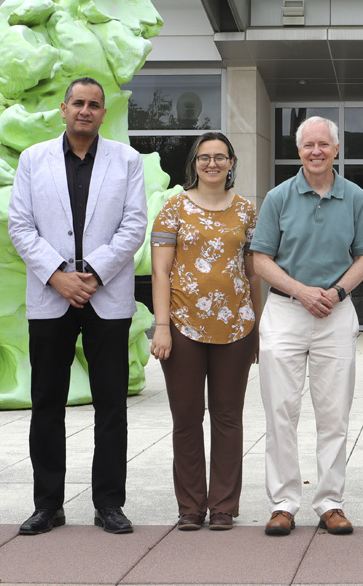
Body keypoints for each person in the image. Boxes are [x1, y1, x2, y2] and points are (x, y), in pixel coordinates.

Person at [8, 77, 148, 536]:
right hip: (51, 296)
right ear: (63, 109)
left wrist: (93, 273)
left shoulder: (126, 160)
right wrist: (58, 276)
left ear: (103, 113)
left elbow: (133, 226)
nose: (85, 110)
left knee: (111, 405)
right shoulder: (34, 160)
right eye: (78, 103)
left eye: (94, 105)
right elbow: (20, 226)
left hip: (106, 296)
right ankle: (47, 504)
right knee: (46, 402)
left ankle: (109, 502)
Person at [248, 116, 363, 537]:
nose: (316, 151)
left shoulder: (355, 196)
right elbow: (260, 258)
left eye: (324, 144)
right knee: (280, 413)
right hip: (286, 311)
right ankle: (283, 503)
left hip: (336, 314)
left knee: (334, 414)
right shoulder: (278, 197)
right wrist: (301, 291)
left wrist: (336, 293)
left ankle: (330, 503)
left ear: (336, 149)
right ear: (298, 150)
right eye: (308, 145)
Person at [150, 132, 262, 531]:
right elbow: (160, 271)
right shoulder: (173, 208)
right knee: (186, 417)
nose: (212, 163)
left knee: (228, 418)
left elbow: (253, 273)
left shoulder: (249, 211)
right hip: (182, 328)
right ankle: (191, 507)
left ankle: (224, 507)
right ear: (194, 163)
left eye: (220, 157)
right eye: (204, 157)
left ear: (232, 162)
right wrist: (161, 326)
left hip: (237, 327)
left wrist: (258, 328)